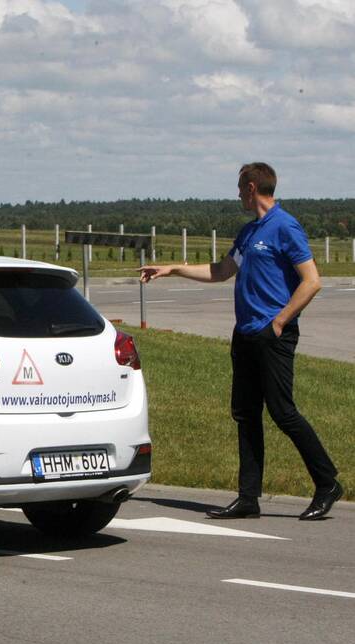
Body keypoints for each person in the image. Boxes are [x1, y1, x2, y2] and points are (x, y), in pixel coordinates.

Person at [139, 162, 342, 521]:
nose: (237, 195)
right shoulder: (249, 233)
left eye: (239, 188)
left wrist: (279, 323)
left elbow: (312, 281)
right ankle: (248, 498)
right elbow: (222, 271)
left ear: (251, 187)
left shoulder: (285, 226)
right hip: (245, 333)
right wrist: (172, 268)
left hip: (272, 335)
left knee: (282, 412)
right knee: (246, 415)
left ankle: (327, 483)